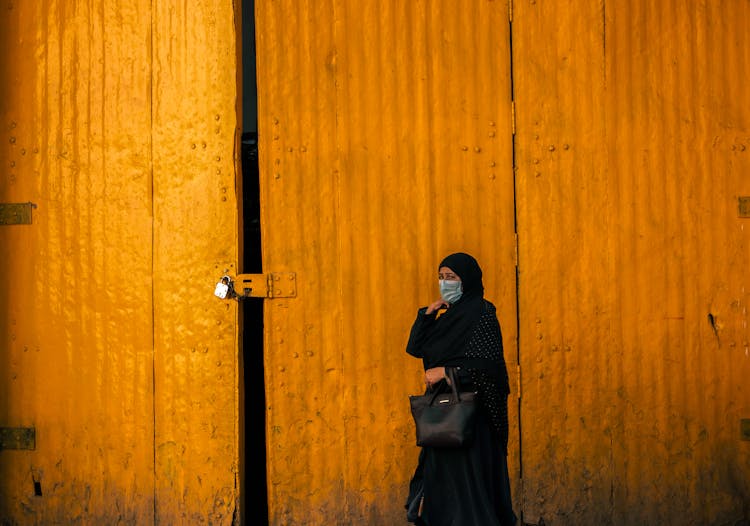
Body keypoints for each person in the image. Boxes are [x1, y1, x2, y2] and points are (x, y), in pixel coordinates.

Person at [405, 252, 516, 526]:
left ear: (467, 280)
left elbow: (491, 370)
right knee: (443, 492)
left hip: (471, 420)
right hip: (442, 419)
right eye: (441, 277)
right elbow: (416, 348)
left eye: (451, 277)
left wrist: (447, 372)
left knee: (469, 494)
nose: (445, 283)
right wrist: (427, 315)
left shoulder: (483, 313)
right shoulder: (448, 317)